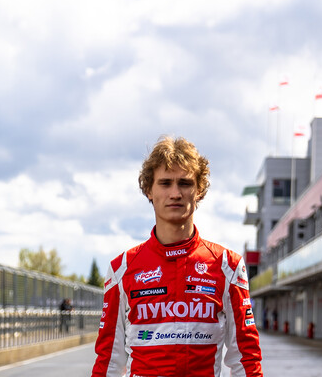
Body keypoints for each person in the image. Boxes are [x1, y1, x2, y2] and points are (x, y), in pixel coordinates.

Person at [91, 136, 263, 377]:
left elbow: (246, 360)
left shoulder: (228, 266)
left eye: (184, 183)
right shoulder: (122, 268)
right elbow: (109, 361)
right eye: (165, 183)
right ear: (149, 190)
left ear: (198, 191)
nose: (175, 193)